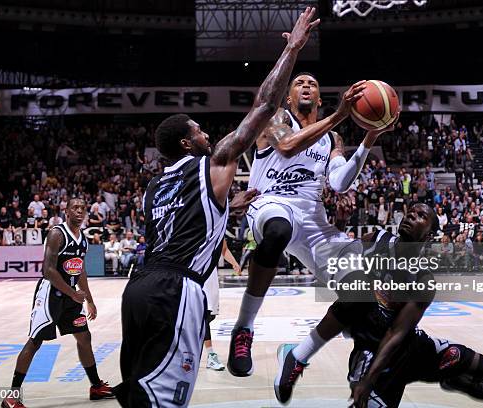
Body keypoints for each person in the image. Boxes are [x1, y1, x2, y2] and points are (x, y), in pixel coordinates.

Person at [113, 8, 320, 408]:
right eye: (198, 130)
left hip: (137, 289)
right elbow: (264, 107)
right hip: (176, 290)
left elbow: (182, 225)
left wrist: (227, 206)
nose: (206, 133)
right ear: (188, 144)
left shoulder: (153, 187)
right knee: (165, 400)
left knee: (138, 390)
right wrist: (292, 49)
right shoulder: (212, 163)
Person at [228, 75, 397, 375]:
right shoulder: (276, 117)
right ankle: (244, 328)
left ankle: (297, 354)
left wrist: (369, 138)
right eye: (299, 83)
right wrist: (339, 115)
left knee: (357, 290)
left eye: (313, 84)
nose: (306, 85)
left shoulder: (333, 139)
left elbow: (339, 183)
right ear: (289, 98)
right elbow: (288, 147)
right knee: (279, 229)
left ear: (318, 98)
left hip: (312, 220)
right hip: (269, 204)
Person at [274, 204, 483, 407]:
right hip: (373, 349)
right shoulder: (377, 240)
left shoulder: (424, 278)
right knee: (359, 290)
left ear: (429, 235)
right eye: (410, 212)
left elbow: (397, 333)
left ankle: (452, 377)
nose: (411, 215)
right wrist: (341, 223)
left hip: (408, 346)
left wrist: (368, 380)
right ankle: (298, 355)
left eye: (420, 215)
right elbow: (339, 255)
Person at [1, 198, 113, 408]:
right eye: (75, 208)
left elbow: (79, 270)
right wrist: (73, 294)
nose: (80, 211)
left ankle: (96, 386)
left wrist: (89, 299)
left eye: (83, 208)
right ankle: (11, 397)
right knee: (35, 342)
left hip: (71, 298)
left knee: (84, 336)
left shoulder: (83, 239)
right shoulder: (56, 233)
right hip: (50, 296)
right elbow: (48, 270)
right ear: (66, 212)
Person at [204, 240, 241, 371]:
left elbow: (223, 249)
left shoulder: (218, 225)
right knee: (203, 317)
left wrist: (234, 263)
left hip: (211, 275)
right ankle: (210, 355)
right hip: (196, 272)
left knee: (210, 317)